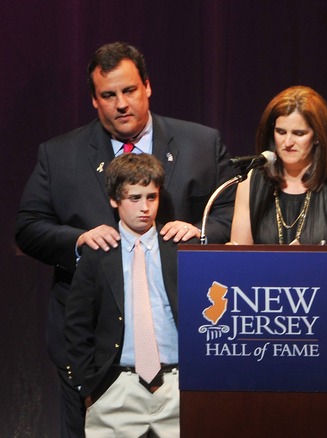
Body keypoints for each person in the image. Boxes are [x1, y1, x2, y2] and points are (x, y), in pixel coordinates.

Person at [15, 41, 237, 437]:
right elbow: (29, 226)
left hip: (184, 359)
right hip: (95, 359)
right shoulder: (59, 154)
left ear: (147, 87)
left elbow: (230, 214)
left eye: (129, 90)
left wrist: (202, 234)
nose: (121, 104)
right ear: (94, 101)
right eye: (108, 95)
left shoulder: (200, 144)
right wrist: (78, 240)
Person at [230, 85, 327, 436]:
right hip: (268, 328)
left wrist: (318, 260)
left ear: (318, 136)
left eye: (299, 133)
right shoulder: (250, 183)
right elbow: (238, 252)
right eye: (280, 132)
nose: (287, 142)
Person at [65, 153, 190, 436]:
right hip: (117, 386)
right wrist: (90, 386)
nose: (144, 208)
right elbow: (77, 323)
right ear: (114, 199)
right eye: (134, 198)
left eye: (152, 197)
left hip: (177, 384)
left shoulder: (178, 246)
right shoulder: (99, 253)